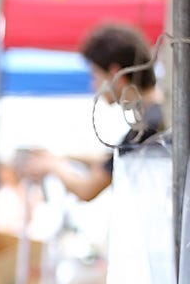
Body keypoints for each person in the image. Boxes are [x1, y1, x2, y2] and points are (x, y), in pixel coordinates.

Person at [21, 23, 165, 201]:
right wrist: (60, 156)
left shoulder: (148, 125)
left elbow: (87, 189)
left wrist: (54, 166)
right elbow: (110, 160)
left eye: (95, 75)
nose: (94, 85)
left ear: (115, 73)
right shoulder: (154, 114)